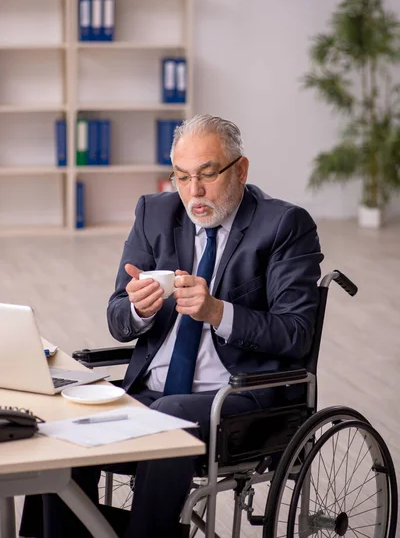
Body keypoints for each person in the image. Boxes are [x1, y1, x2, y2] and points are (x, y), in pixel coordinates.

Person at [22, 114, 323, 538]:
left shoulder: (284, 226)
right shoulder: (155, 212)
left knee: (168, 415)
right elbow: (117, 318)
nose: (194, 192)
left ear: (241, 169)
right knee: (63, 424)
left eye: (206, 175)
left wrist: (218, 311)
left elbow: (296, 334)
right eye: (181, 177)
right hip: (149, 394)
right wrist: (139, 309)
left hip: (239, 401)